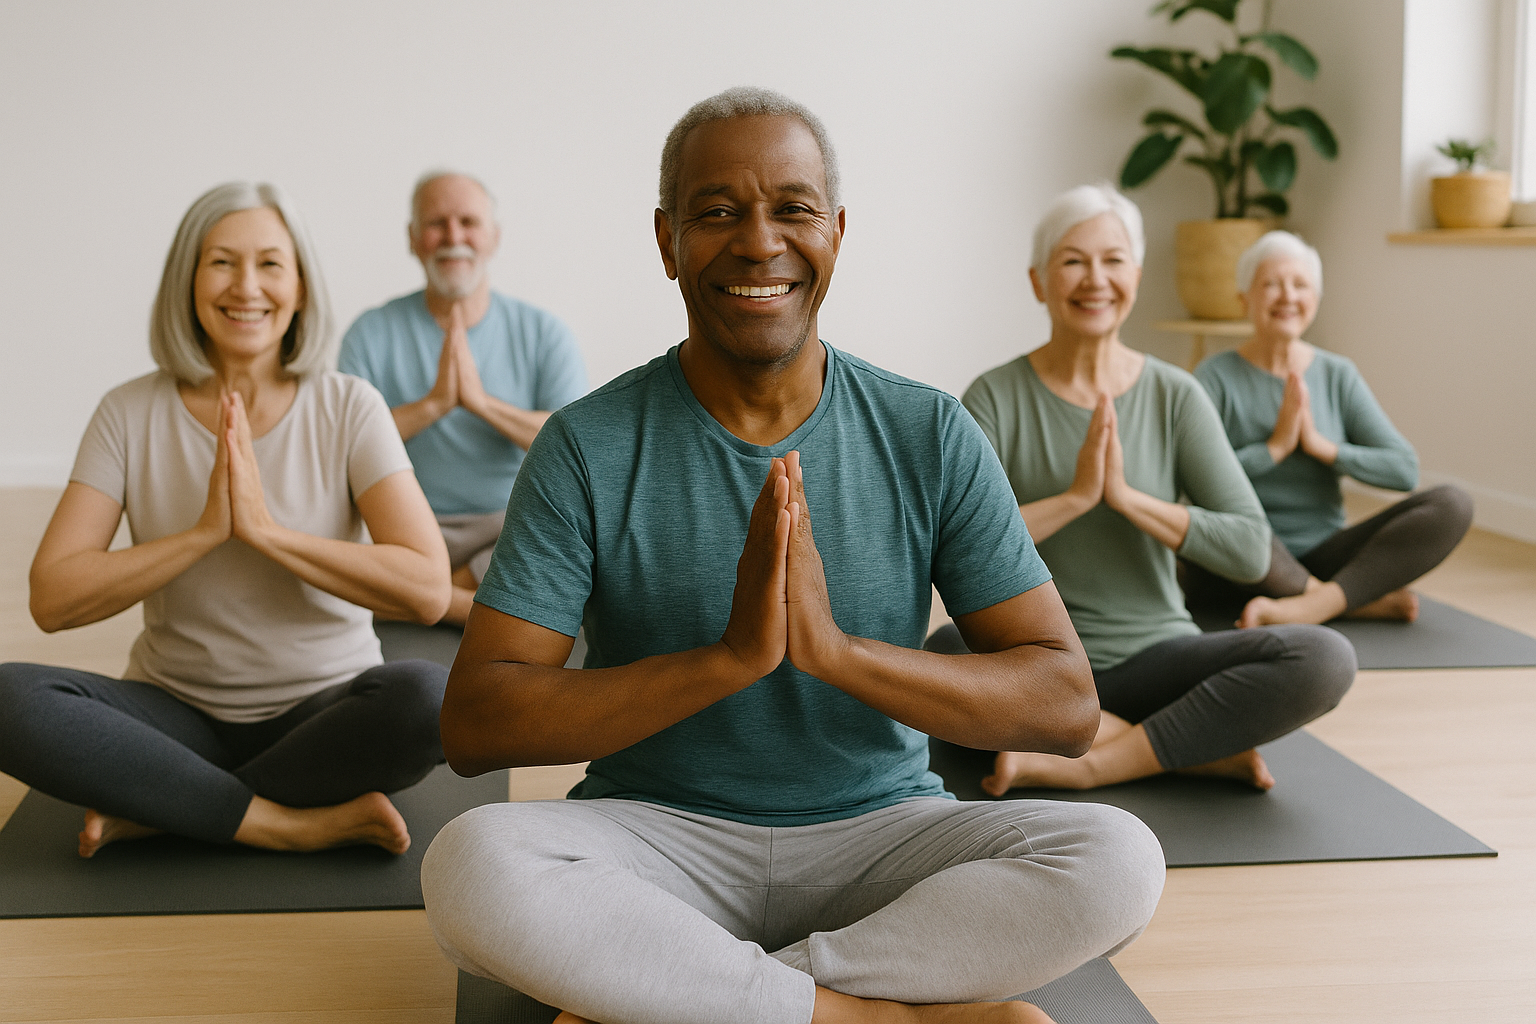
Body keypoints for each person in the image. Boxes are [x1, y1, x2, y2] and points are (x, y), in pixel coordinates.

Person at [420, 89, 1165, 1024]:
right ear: (667, 242)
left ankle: (696, 993)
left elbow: (1064, 704)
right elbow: (479, 723)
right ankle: (865, 1013)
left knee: (1119, 856)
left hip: (884, 841)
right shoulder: (588, 444)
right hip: (659, 838)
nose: (759, 242)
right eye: (718, 212)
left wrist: (838, 655)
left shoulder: (927, 430)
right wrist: (727, 662)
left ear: (838, 233)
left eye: (794, 209)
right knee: (470, 862)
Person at [0, 183, 452, 858]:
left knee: (433, 696)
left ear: (300, 287)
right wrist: (204, 533)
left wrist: (267, 533)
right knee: (9, 697)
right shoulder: (127, 412)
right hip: (175, 712)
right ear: (187, 281)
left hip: (325, 708)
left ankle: (169, 803)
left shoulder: (349, 406)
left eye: (270, 263)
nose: (246, 286)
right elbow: (53, 599)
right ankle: (285, 822)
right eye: (221, 262)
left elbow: (427, 588)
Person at [953, 185, 1356, 797]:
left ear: (1135, 277)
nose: (1095, 279)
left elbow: (1251, 548)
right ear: (1039, 281)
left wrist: (1129, 499)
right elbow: (954, 552)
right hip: (1039, 661)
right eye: (1072, 261)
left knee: (1325, 658)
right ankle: (1187, 748)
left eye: (1113, 260)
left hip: (1157, 658)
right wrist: (1076, 498)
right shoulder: (993, 397)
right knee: (941, 648)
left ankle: (1093, 760)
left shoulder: (1175, 395)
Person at [339, 171, 588, 625]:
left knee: (565, 532)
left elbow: (579, 452)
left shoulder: (544, 333)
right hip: (403, 528)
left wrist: (481, 403)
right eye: (437, 223)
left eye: (469, 222)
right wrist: (434, 404)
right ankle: (469, 604)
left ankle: (427, 598)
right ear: (414, 239)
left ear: (493, 237)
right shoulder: (370, 332)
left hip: (506, 530)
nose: (453, 237)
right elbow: (341, 448)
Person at [1189, 231, 1473, 628]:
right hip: (1247, 551)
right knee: (1186, 536)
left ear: (1315, 301)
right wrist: (1274, 448)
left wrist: (1325, 448)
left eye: (1300, 285)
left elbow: (1403, 469)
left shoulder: (1337, 374)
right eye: (1271, 284)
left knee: (1453, 504)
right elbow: (1193, 480)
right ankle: (1350, 598)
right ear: (1244, 300)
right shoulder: (1214, 376)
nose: (1287, 296)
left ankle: (1315, 602)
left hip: (1324, 549)